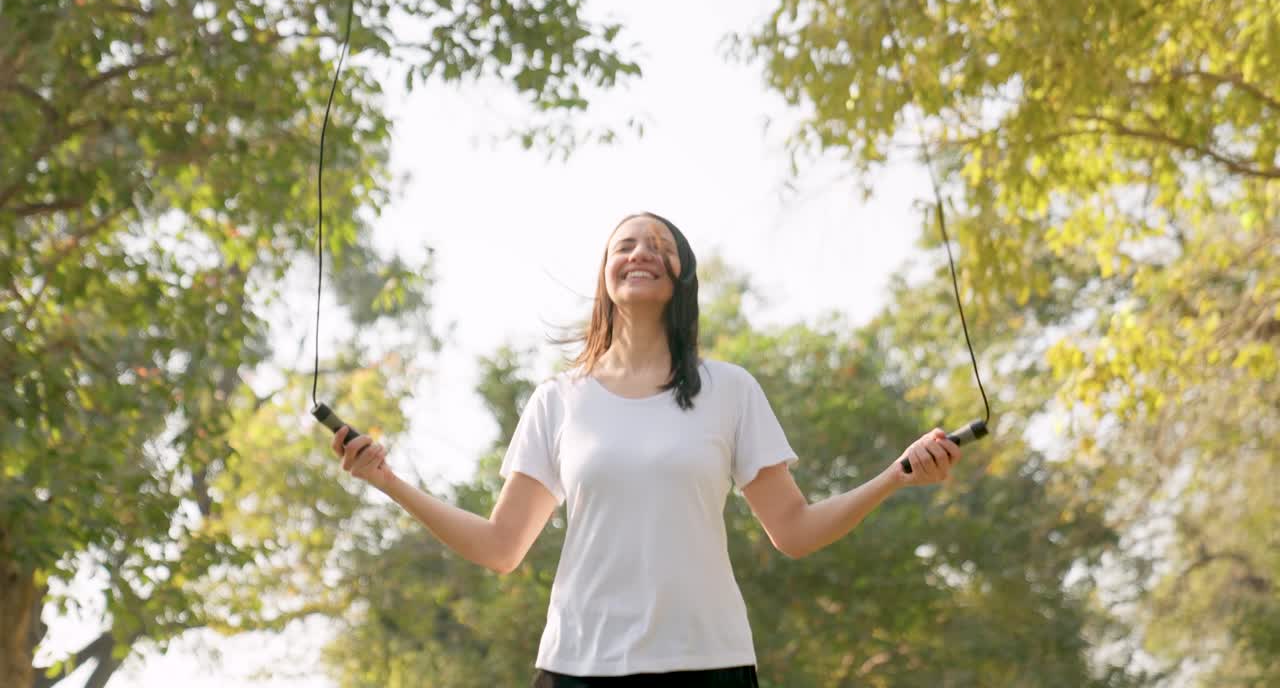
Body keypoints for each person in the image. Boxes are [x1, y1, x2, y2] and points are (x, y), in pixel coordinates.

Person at [331, 212, 962, 687]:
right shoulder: (559, 399)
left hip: (708, 661)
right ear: (605, 275)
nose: (642, 253)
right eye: (625, 244)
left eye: (660, 246)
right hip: (580, 664)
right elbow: (500, 548)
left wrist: (895, 476)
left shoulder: (730, 390)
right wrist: (387, 481)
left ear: (680, 274)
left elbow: (794, 531)